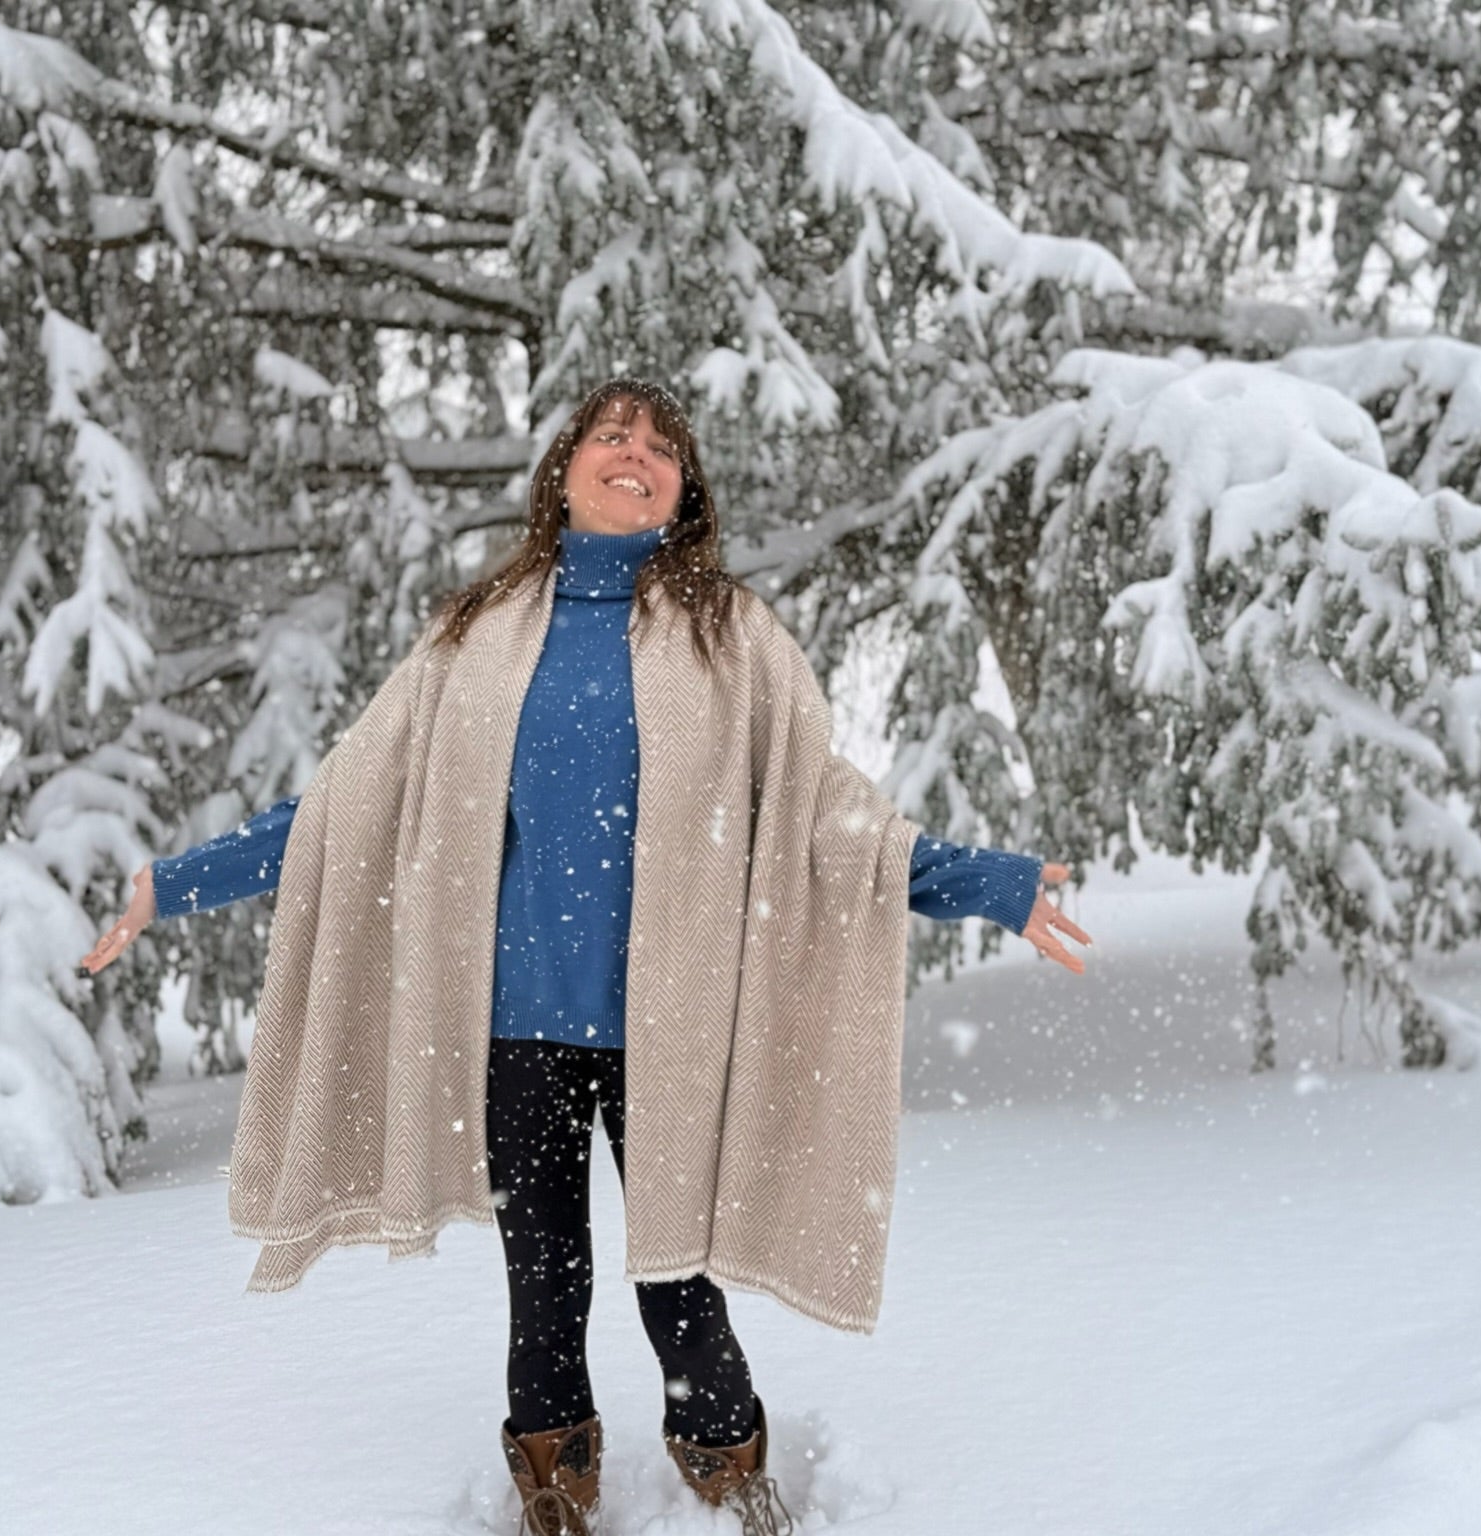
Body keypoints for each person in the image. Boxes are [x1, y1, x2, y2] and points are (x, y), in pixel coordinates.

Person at [82, 378, 1091, 1536]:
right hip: (518, 1030)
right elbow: (346, 807)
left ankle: (728, 1476)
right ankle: (555, 1492)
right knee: (545, 1286)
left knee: (679, 1286)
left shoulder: (729, 636)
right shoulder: (475, 637)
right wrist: (175, 883)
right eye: (612, 435)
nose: (635, 454)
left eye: (661, 446)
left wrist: (989, 884)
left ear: (683, 488)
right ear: (563, 470)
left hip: (675, 1031)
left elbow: (827, 814)